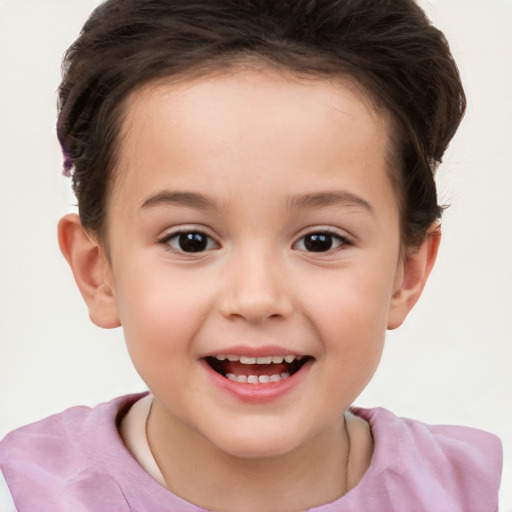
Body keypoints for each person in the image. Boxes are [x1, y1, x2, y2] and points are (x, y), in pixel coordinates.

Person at [0, 0, 502, 510]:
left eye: (320, 241)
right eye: (190, 240)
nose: (257, 298)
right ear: (97, 271)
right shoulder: (23, 493)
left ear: (407, 273)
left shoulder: (467, 493)